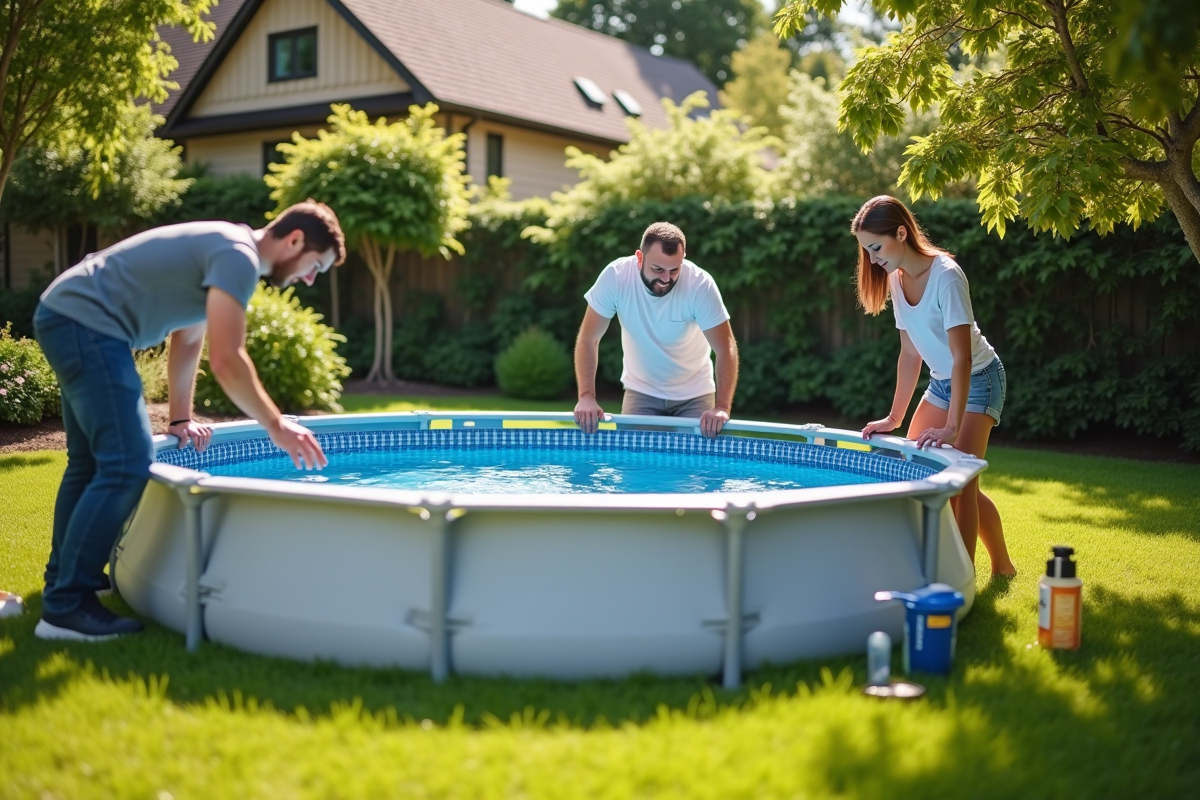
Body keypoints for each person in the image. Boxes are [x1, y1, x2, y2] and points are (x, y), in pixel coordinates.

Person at [32, 201, 345, 641]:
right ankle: (65, 608)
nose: (310, 279)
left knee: (89, 464)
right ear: (294, 240)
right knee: (126, 462)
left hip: (68, 314)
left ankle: (65, 581)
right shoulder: (239, 256)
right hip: (88, 324)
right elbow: (227, 359)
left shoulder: (230, 252)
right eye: (316, 265)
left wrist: (180, 418)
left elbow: (190, 337)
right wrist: (276, 425)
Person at [852, 195, 1017, 577]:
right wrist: (894, 417)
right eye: (867, 251)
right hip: (942, 382)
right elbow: (910, 354)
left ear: (901, 232)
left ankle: (962, 579)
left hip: (979, 379)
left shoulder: (947, 275)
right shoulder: (895, 279)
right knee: (923, 471)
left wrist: (951, 428)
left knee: (959, 485)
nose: (873, 259)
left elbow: (962, 358)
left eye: (876, 247)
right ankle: (1004, 567)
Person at [573, 222, 738, 438]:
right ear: (640, 258)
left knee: (695, 469)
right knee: (633, 464)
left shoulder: (700, 285)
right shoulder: (616, 277)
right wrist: (586, 396)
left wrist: (722, 407)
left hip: (695, 394)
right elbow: (589, 339)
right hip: (641, 392)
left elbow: (726, 347)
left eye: (675, 269)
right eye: (657, 269)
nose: (666, 279)